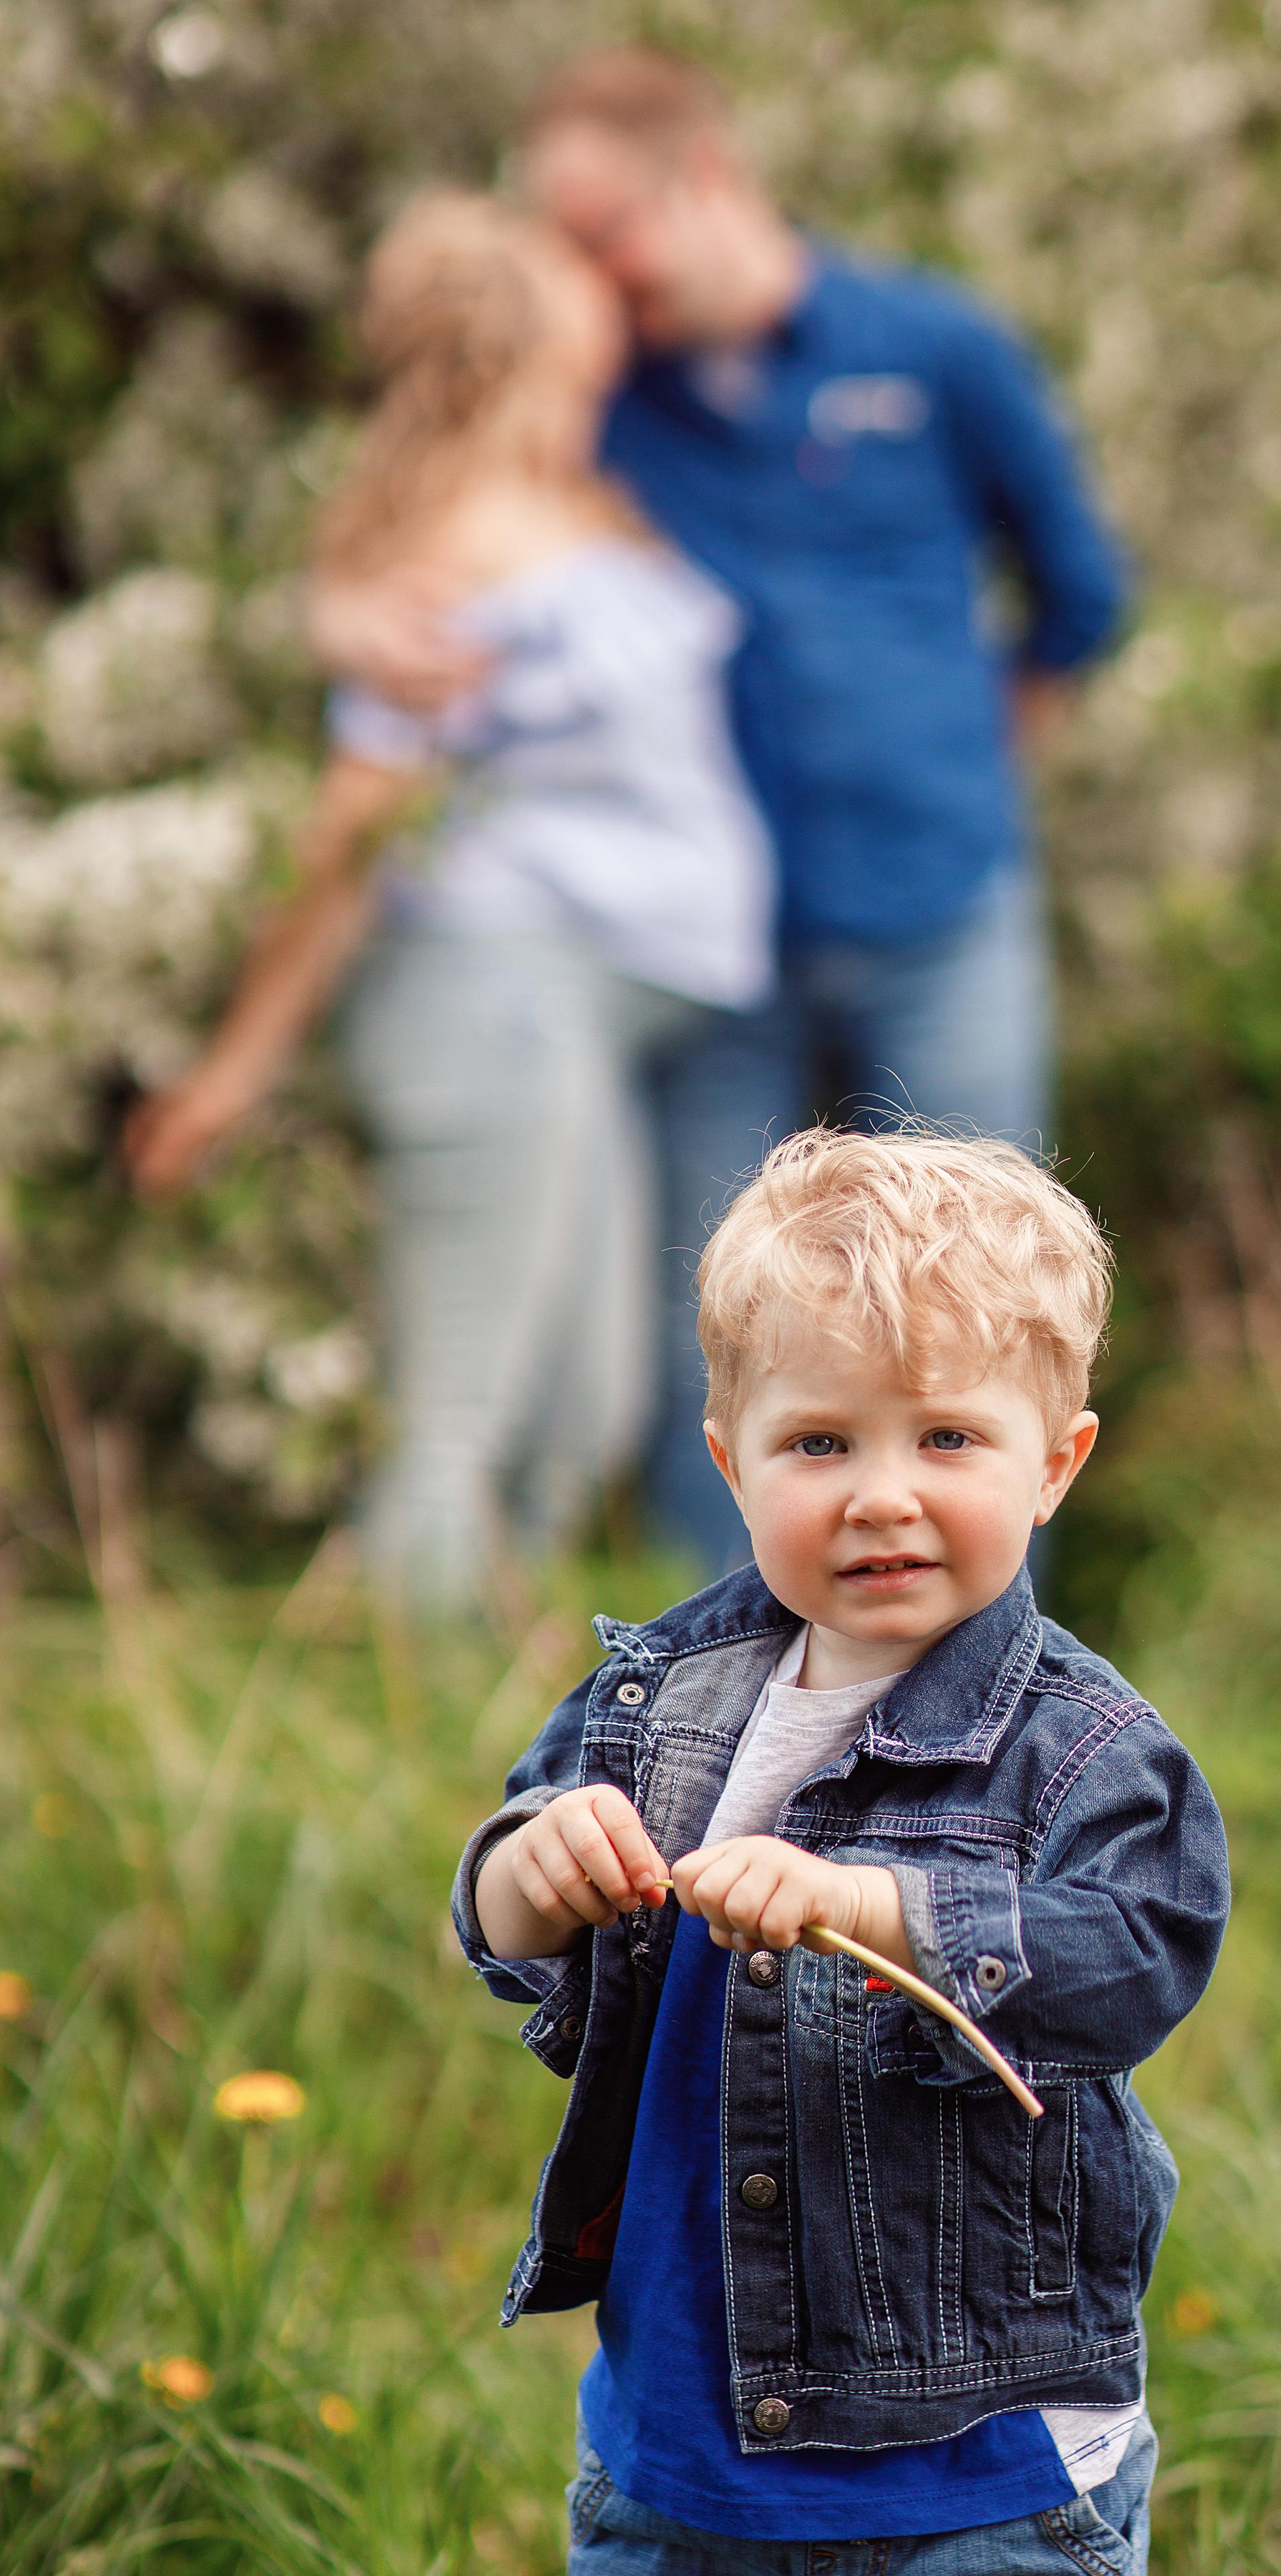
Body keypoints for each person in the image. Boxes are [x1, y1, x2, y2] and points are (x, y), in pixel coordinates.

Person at [451, 1129, 1229, 2576]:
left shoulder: (1081, 1748)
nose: (882, 1494)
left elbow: (1136, 1945)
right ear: (731, 1461)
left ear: (1056, 1461)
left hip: (988, 2488)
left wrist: (882, 1906)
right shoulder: (659, 1699)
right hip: (683, 2474)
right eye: (818, 1442)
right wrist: (539, 1865)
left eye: (948, 1435)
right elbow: (504, 1912)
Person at [311, 47, 1131, 1571]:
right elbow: (442, 500)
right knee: (743, 1332)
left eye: (604, 234)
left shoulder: (932, 344)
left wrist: (965, 761)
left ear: (703, 179)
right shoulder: (614, 402)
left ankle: (997, 1718)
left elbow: (1079, 595)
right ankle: (728, 1701)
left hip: (941, 916)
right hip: (720, 965)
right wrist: (345, 614)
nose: (589, 279)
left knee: (986, 1317)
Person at [127, 191, 773, 1610]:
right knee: (463, 1420)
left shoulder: (579, 493)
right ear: (521, 318)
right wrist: (238, 1065)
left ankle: (476, 1716)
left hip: (580, 1014)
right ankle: (393, 1736)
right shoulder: (448, 537)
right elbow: (355, 821)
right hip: (491, 987)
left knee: (583, 1409)